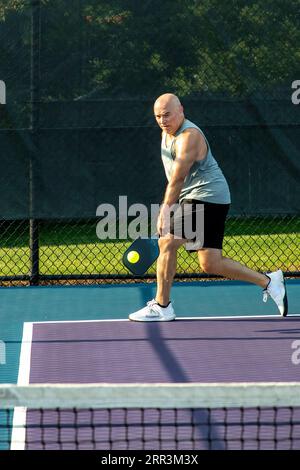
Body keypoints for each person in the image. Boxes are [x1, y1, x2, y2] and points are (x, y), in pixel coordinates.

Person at [129, 93, 288, 321]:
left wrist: (165, 211)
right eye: (157, 116)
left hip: (206, 196)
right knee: (210, 263)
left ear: (181, 110)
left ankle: (163, 306)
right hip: (204, 198)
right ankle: (269, 281)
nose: (162, 120)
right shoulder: (167, 133)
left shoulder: (189, 136)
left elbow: (178, 178)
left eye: (167, 115)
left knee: (167, 242)